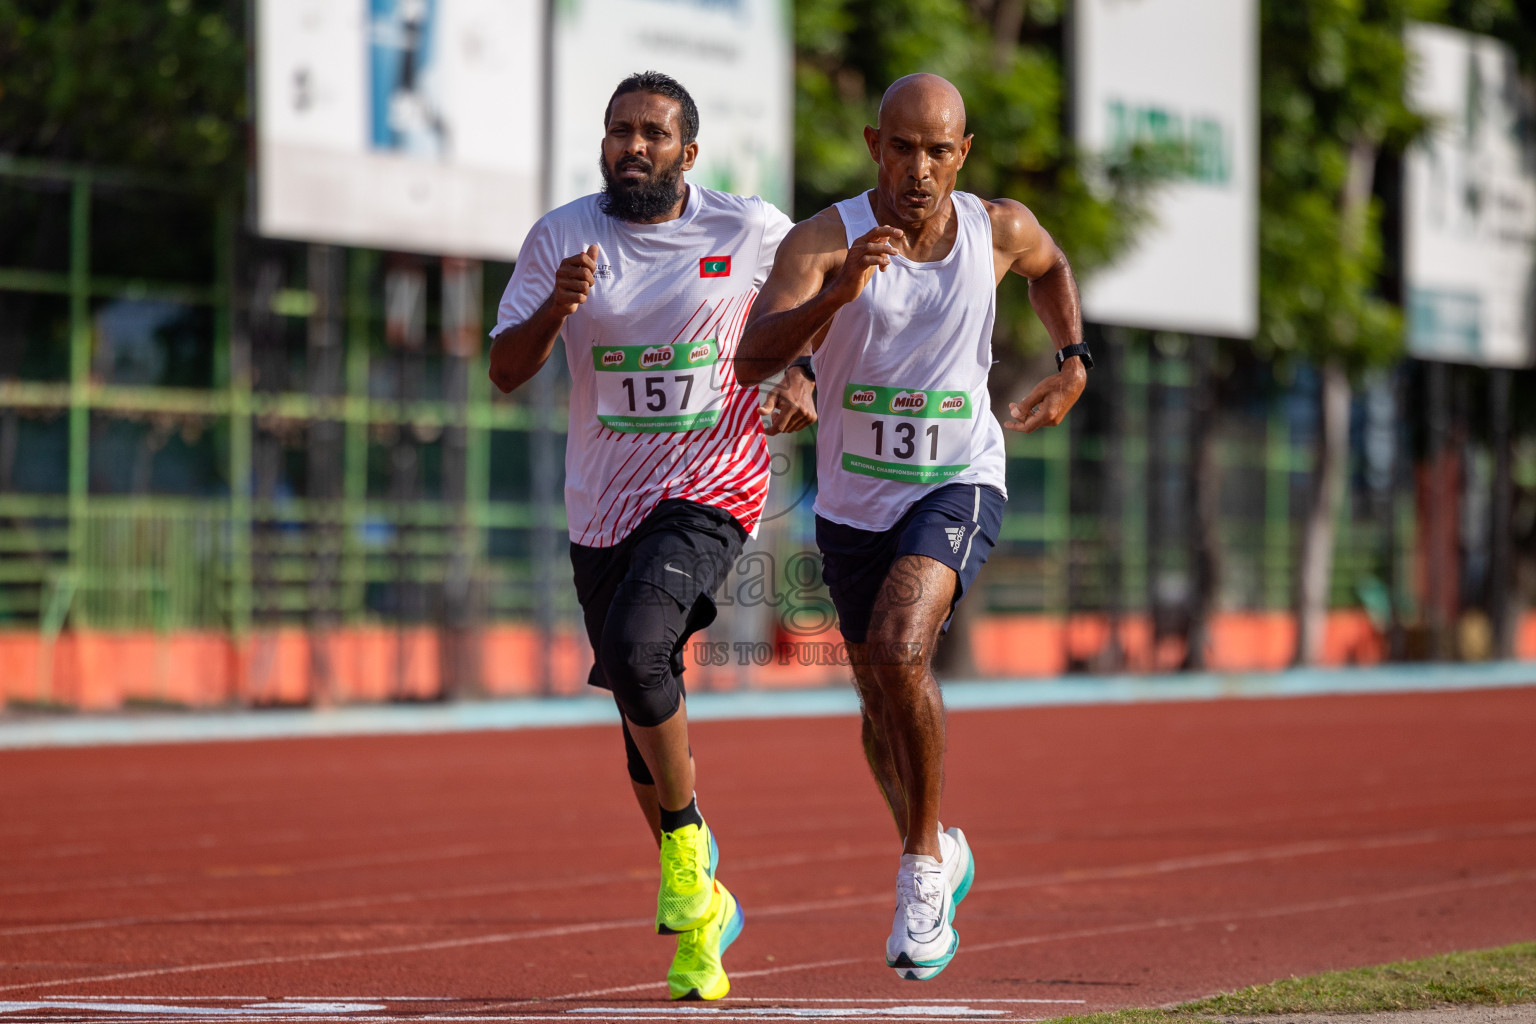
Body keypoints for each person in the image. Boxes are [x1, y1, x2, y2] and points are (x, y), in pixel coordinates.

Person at [734, 73, 1090, 981]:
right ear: (873, 145)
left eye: (939, 151)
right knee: (873, 701)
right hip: (855, 501)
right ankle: (937, 842)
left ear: (962, 154)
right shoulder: (824, 240)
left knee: (899, 649)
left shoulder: (996, 228)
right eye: (903, 148)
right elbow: (753, 358)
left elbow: (1050, 266)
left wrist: (1073, 359)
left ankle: (922, 866)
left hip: (957, 477)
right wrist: (835, 299)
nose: (920, 169)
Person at [489, 70, 814, 1000]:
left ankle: (683, 843)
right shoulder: (562, 238)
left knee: (638, 650)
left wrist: (799, 369)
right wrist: (558, 304)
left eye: (653, 134)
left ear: (689, 152)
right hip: (600, 502)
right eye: (619, 131)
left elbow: (822, 296)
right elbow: (505, 372)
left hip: (712, 481)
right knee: (640, 697)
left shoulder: (747, 228)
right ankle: (705, 910)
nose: (634, 146)